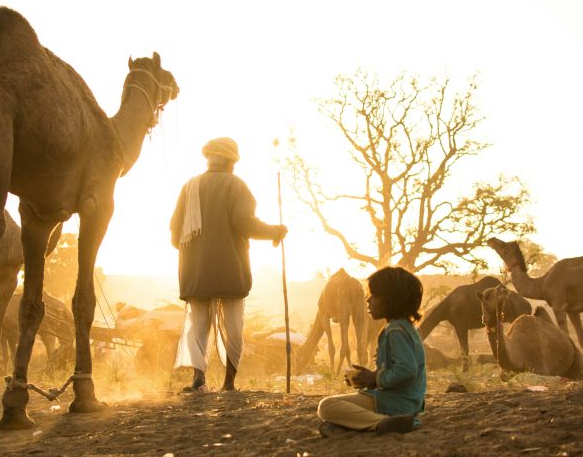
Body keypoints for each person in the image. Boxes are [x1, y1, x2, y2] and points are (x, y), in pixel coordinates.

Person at [170, 137, 288, 392]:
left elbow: (174, 232)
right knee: (233, 327)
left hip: (195, 272)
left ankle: (198, 380)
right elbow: (244, 222)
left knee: (197, 325)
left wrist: (194, 253)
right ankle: (228, 383)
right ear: (230, 162)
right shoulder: (236, 185)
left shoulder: (189, 187)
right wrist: (275, 231)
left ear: (210, 159)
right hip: (230, 270)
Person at [316, 266, 426, 437]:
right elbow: (400, 369)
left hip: (395, 402)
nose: (367, 300)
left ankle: (379, 422)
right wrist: (372, 377)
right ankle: (362, 424)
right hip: (405, 400)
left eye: (373, 296)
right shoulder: (406, 328)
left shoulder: (395, 331)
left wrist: (376, 378)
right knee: (333, 420)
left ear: (391, 300)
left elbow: (406, 371)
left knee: (327, 406)